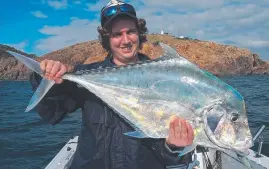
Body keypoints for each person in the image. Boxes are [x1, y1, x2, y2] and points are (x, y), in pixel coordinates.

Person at [30, 0, 194, 169]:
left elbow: (172, 157)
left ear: (139, 33)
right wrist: (46, 77)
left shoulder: (164, 81)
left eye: (130, 32)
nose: (125, 40)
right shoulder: (86, 76)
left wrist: (173, 147)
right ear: (107, 38)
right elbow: (52, 113)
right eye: (117, 34)